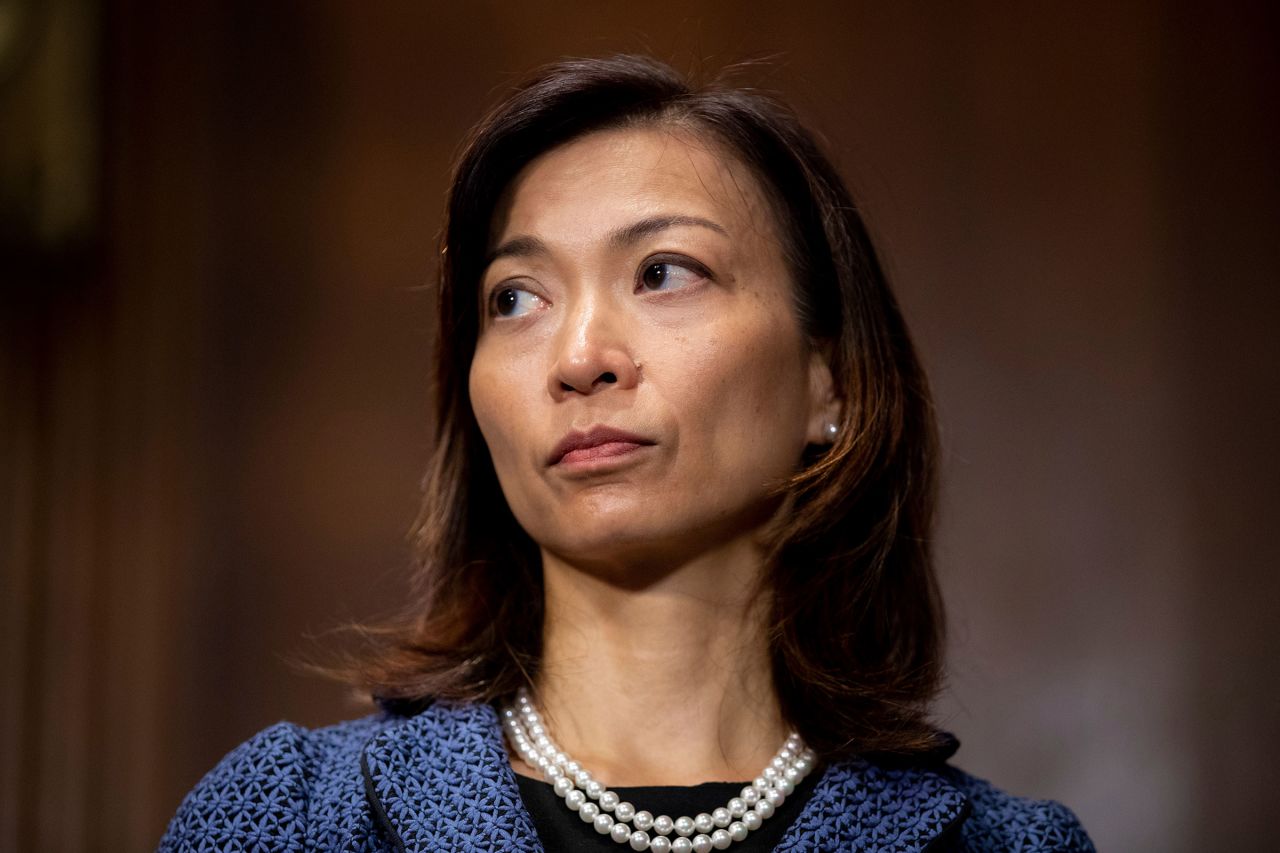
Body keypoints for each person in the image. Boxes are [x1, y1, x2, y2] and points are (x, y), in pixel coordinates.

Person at [159, 55, 1094, 852]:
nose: (577, 359)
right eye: (516, 298)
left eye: (663, 273)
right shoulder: (294, 817)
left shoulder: (1002, 845)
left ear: (831, 384)